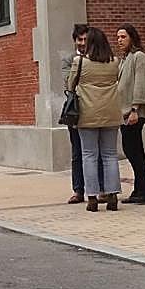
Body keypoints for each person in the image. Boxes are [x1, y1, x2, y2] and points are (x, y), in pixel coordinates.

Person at [70, 27, 122, 211]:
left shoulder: (80, 62)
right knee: (110, 155)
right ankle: (112, 195)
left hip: (87, 113)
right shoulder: (115, 62)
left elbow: (70, 84)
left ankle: (92, 197)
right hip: (111, 112)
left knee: (89, 155)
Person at [116, 24, 145, 205]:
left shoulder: (139, 57)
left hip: (133, 113)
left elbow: (140, 84)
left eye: (123, 37)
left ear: (132, 37)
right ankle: (139, 189)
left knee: (134, 152)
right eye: (118, 37)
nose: (119, 40)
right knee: (132, 151)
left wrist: (135, 109)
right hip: (124, 113)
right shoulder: (124, 59)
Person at [62, 24, 90, 204]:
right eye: (80, 39)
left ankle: (99, 189)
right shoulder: (69, 59)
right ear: (75, 41)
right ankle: (78, 190)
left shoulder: (98, 57)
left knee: (96, 152)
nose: (83, 43)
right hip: (76, 111)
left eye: (86, 39)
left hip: (94, 109)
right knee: (77, 152)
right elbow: (68, 83)